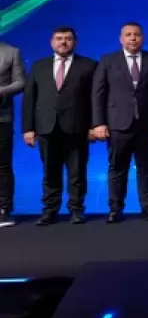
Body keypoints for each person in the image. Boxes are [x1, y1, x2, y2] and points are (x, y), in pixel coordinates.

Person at [92, 22, 148, 223]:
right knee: (117, 168)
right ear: (121, 39)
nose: (133, 38)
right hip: (118, 124)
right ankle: (115, 209)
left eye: (137, 34)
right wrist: (99, 123)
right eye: (128, 35)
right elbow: (98, 93)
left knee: (147, 168)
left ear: (143, 38)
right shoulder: (108, 60)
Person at [21, 27, 92, 225]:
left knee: (77, 173)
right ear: (51, 42)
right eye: (59, 39)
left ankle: (76, 210)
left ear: (75, 42)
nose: (63, 42)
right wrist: (28, 128)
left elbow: (95, 99)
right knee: (50, 172)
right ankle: (49, 211)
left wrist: (94, 125)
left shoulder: (88, 65)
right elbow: (29, 99)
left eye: (68, 39)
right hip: (46, 127)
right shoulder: (39, 66)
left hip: (77, 128)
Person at [0, 38, 25, 226]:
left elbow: (20, 82)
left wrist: (2, 90)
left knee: (2, 166)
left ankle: (3, 210)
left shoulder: (11, 52)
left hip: (2, 118)